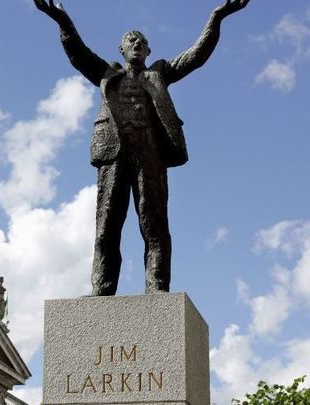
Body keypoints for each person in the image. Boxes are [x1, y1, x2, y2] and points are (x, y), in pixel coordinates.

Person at [34, 0, 249, 295]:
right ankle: (102, 288)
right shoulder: (107, 73)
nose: (137, 44)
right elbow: (78, 53)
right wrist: (62, 20)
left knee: (154, 224)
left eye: (143, 42)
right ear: (122, 50)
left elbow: (196, 56)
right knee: (107, 226)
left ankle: (157, 285)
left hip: (150, 155)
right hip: (114, 155)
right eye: (131, 41)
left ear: (148, 52)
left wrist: (216, 17)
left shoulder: (159, 72)